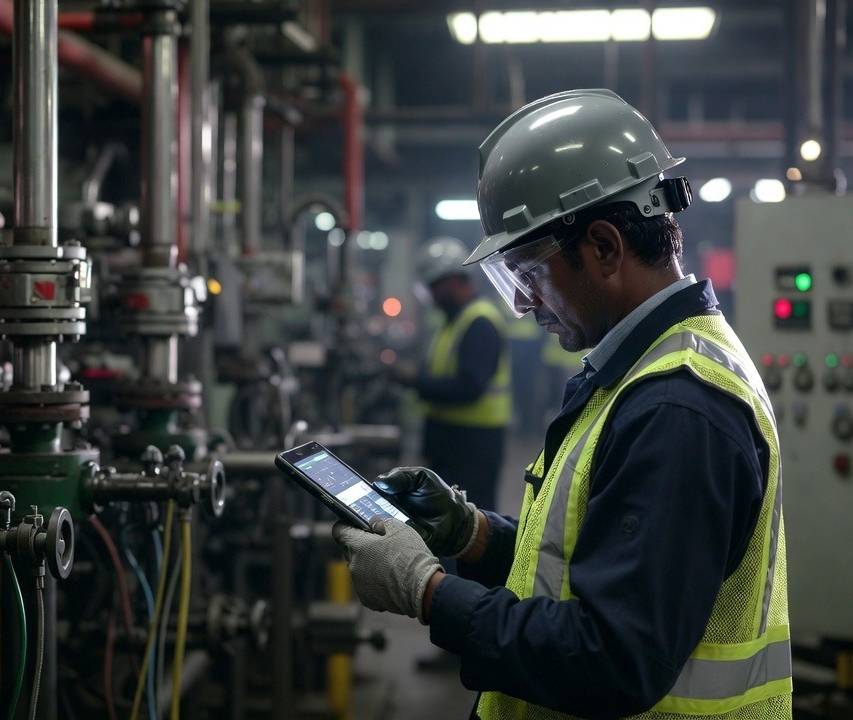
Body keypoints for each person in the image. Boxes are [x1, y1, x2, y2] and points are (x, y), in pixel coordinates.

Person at [335, 88, 791, 719]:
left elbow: (613, 657)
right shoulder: (648, 371)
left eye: (528, 271)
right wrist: (473, 536)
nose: (522, 303)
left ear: (604, 248)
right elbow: (596, 561)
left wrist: (429, 591)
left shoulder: (676, 407)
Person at [394, 236, 512, 513]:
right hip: (451, 442)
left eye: (433, 287)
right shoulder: (454, 320)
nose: (432, 296)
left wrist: (414, 381)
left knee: (472, 526)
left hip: (472, 446)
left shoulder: (479, 322)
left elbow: (469, 387)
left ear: (452, 282)